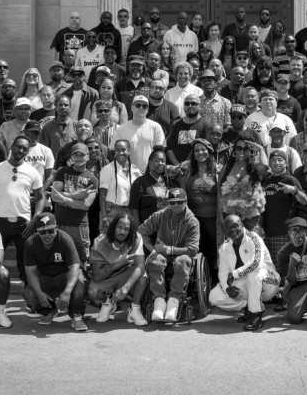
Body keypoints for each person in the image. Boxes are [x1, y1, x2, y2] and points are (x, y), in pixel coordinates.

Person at [139, 189, 201, 323]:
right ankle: (159, 301)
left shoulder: (193, 221)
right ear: (169, 203)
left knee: (182, 261)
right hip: (162, 253)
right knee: (155, 261)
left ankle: (174, 301)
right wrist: (152, 249)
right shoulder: (160, 215)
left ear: (186, 202)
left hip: (183, 254)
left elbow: (193, 250)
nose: (176, 205)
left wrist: (170, 249)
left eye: (180, 202)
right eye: (173, 203)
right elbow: (141, 231)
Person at [209, 215, 281, 331]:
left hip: (269, 282)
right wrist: (227, 288)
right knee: (214, 296)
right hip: (247, 283)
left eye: (235, 226)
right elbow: (223, 273)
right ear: (225, 231)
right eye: (228, 228)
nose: (232, 230)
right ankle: (249, 305)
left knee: (254, 275)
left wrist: (235, 274)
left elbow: (256, 263)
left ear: (242, 225)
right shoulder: (224, 247)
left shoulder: (254, 238)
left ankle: (255, 314)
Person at [0, 135, 45, 283]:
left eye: (24, 149)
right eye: (18, 146)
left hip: (24, 224)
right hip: (0, 221)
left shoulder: (32, 171)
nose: (20, 150)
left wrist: (35, 219)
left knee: (26, 263)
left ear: (27, 152)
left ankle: (31, 297)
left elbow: (41, 198)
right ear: (11, 147)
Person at [23, 213, 89, 331]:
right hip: (45, 277)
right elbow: (31, 271)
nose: (47, 235)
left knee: (79, 284)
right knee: (29, 294)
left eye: (50, 231)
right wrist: (39, 293)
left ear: (56, 228)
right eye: (42, 232)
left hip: (65, 276)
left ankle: (77, 315)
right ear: (37, 231)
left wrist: (67, 291)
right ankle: (51, 310)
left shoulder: (65, 239)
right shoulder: (30, 243)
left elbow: (74, 267)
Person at [88, 214, 148, 326]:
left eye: (126, 229)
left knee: (142, 276)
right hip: (108, 277)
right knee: (92, 291)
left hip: (126, 275)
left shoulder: (136, 238)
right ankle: (108, 304)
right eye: (119, 227)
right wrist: (117, 263)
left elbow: (140, 266)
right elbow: (96, 276)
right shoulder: (99, 243)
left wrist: (125, 288)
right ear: (113, 227)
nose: (122, 232)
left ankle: (134, 309)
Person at [177, 139, 220, 278]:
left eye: (203, 149)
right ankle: (194, 280)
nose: (200, 153)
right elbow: (169, 172)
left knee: (211, 250)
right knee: (194, 248)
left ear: (209, 151)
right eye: (197, 150)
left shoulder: (219, 170)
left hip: (213, 219)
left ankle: (211, 280)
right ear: (193, 154)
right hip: (192, 218)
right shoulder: (187, 169)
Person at [50, 142, 98, 259]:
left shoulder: (92, 178)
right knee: (60, 257)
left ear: (87, 157)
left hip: (80, 225)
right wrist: (77, 195)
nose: (79, 158)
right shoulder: (62, 172)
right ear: (71, 157)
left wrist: (63, 198)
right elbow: (55, 196)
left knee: (81, 258)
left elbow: (86, 205)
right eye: (75, 155)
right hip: (60, 223)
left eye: (82, 155)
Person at [262, 149, 307, 268]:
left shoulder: (290, 180)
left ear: (286, 163)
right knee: (270, 268)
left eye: (280, 160)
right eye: (273, 160)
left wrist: (295, 190)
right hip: (267, 232)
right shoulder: (266, 180)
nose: (276, 162)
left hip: (284, 232)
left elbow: (305, 200)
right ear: (269, 164)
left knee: (283, 268)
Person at [219, 136, 266, 232]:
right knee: (233, 245)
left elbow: (265, 167)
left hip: (251, 217)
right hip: (230, 215)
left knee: (251, 244)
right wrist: (220, 217)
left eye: (246, 149)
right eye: (239, 148)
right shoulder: (226, 168)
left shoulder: (255, 167)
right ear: (234, 149)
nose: (242, 151)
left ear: (250, 150)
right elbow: (219, 195)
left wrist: (260, 149)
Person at [99, 139, 143, 234]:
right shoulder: (107, 169)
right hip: (111, 212)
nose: (120, 153)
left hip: (129, 212)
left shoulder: (134, 170)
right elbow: (102, 195)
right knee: (108, 243)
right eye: (117, 150)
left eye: (123, 149)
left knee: (125, 243)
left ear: (129, 151)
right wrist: (104, 217)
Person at [111, 95, 165, 172]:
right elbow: (113, 150)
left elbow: (160, 152)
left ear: (147, 109)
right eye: (138, 105)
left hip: (150, 173)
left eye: (144, 106)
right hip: (128, 173)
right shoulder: (122, 128)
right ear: (132, 108)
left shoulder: (156, 127)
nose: (141, 108)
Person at [129, 148, 174, 224]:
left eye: (163, 161)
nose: (160, 163)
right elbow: (134, 208)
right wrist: (138, 230)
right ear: (150, 163)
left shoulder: (169, 181)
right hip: (147, 229)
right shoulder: (139, 182)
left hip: (166, 228)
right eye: (156, 160)